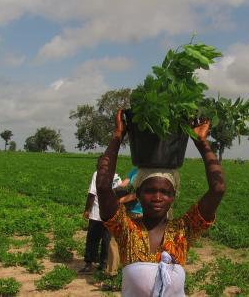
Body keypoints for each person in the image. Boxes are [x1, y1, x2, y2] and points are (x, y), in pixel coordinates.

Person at [96, 110, 225, 296]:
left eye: (165, 192)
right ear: (138, 194)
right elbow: (102, 186)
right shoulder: (126, 229)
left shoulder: (183, 231)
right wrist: (118, 136)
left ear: (173, 196)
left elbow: (218, 189)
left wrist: (201, 142)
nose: (157, 197)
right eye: (150, 191)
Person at [80, 171, 122, 273]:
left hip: (97, 214)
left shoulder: (98, 174)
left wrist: (87, 210)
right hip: (110, 215)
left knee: (92, 239)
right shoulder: (117, 178)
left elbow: (92, 194)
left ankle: (89, 264)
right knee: (106, 240)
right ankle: (103, 264)